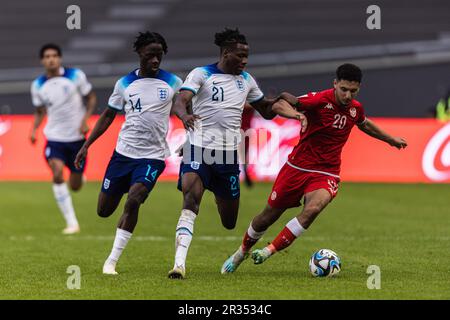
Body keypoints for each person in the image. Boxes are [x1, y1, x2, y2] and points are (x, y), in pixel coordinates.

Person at [221, 63, 408, 273]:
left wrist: (390, 139)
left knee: (313, 209)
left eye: (352, 91)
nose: (347, 95)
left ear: (359, 89)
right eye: (343, 89)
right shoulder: (319, 100)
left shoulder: (356, 108)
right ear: (335, 84)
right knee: (267, 216)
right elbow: (280, 104)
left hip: (326, 172)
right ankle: (241, 252)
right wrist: (296, 115)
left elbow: (364, 123)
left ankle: (269, 250)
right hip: (297, 167)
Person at [168, 28, 306, 279]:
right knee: (190, 202)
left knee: (229, 221)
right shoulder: (202, 73)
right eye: (240, 56)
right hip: (198, 149)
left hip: (227, 157)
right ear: (225, 53)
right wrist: (184, 114)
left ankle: (216, 192)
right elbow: (181, 99)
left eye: (247, 56)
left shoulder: (247, 80)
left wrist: (284, 103)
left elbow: (265, 109)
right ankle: (179, 265)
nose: (244, 60)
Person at [74, 31, 182, 275]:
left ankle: (111, 261)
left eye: (159, 56)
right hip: (123, 154)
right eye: (150, 55)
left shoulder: (174, 82)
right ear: (140, 54)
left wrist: (190, 131)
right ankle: (122, 195)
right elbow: (108, 115)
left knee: (134, 199)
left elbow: (184, 107)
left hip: (152, 156)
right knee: (103, 211)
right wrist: (86, 145)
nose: (155, 60)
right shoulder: (124, 84)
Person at [30, 43, 96, 234]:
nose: (51, 59)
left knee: (75, 186)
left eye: (54, 56)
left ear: (59, 58)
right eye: (47, 56)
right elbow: (40, 110)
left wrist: (85, 120)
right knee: (57, 173)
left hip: (77, 139)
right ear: (43, 60)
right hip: (54, 138)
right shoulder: (38, 85)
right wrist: (34, 129)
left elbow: (91, 98)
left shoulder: (76, 76)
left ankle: (79, 177)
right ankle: (72, 223)